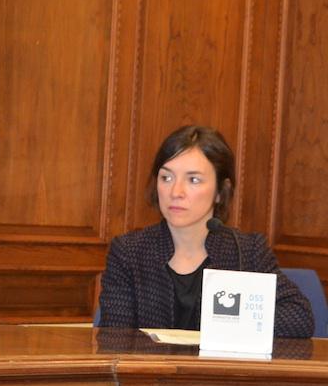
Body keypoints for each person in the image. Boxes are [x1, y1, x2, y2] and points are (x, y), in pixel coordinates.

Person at [98, 125, 313, 337]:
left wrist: (225, 319)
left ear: (221, 191)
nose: (176, 192)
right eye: (167, 178)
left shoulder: (246, 251)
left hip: (220, 362)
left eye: (193, 180)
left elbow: (299, 318)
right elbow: (114, 338)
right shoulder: (129, 252)